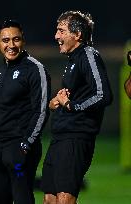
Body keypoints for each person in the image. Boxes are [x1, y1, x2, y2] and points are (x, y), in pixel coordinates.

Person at [41, 10, 113, 204]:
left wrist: (72, 105)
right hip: (60, 138)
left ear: (77, 34)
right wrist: (57, 102)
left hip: (75, 139)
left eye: (61, 30)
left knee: (65, 199)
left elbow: (103, 95)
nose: (56, 36)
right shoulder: (73, 60)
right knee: (49, 199)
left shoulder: (89, 55)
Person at [0, 19, 51, 204]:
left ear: (23, 40)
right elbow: (0, 112)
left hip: (20, 149)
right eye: (6, 41)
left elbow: (41, 110)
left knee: (22, 199)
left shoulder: (34, 69)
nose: (11, 45)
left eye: (16, 39)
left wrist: (26, 145)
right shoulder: (2, 70)